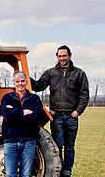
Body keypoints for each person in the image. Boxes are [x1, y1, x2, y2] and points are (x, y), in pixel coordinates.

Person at [30, 45, 89, 177]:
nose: (62, 58)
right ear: (57, 57)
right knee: (57, 146)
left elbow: (84, 94)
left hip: (72, 116)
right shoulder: (51, 73)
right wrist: (27, 77)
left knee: (70, 146)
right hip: (56, 116)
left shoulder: (79, 73)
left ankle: (67, 171)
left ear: (69, 56)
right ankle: (59, 170)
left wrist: (78, 111)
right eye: (60, 56)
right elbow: (39, 86)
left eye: (64, 56)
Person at [1, 71, 43, 177]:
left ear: (26, 82)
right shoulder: (7, 98)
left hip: (29, 141)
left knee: (26, 174)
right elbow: (7, 116)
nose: (20, 84)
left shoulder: (34, 99)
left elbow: (37, 118)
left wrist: (14, 112)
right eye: (17, 81)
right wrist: (24, 112)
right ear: (14, 83)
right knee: (10, 174)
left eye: (22, 81)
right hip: (10, 141)